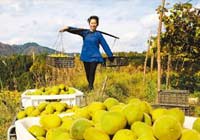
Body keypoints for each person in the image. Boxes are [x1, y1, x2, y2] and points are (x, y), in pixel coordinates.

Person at [59, 15, 113, 90]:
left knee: (92, 73)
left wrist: (110, 55)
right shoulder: (85, 33)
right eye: (92, 23)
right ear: (89, 24)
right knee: (87, 73)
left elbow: (105, 45)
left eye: (95, 23)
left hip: (95, 57)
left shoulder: (98, 35)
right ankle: (90, 86)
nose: (93, 25)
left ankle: (90, 87)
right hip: (86, 56)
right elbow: (76, 30)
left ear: (97, 24)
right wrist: (67, 28)